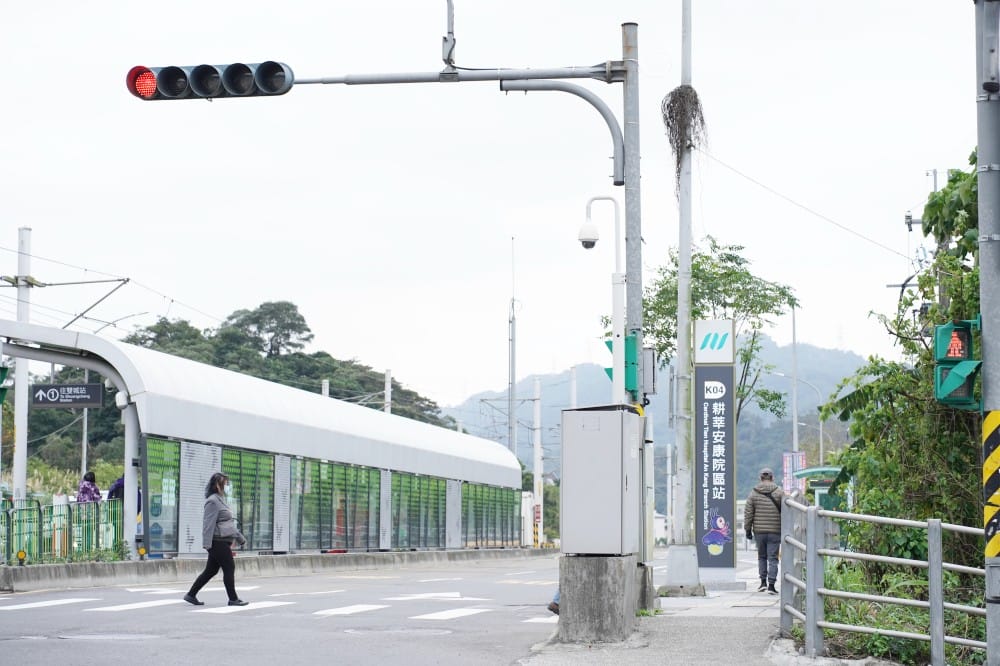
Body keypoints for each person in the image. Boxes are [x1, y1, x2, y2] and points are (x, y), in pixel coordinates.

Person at [184, 472, 248, 607]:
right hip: (217, 542)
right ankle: (233, 599)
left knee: (211, 570)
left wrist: (240, 538)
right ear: (217, 485)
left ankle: (191, 595)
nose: (226, 486)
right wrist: (207, 544)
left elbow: (228, 524)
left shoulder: (220, 500)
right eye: (224, 483)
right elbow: (208, 524)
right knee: (229, 567)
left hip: (222, 540)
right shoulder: (212, 501)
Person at [744, 466, 783, 595]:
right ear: (772, 478)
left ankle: (762, 583)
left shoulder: (753, 493)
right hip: (775, 531)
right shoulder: (779, 492)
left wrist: (748, 530)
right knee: (773, 558)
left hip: (759, 531)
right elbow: (787, 511)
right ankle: (771, 585)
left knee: (762, 557)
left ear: (761, 478)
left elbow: (748, 513)